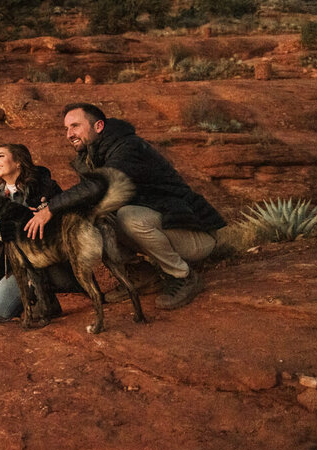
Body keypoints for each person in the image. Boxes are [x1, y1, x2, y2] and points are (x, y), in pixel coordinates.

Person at [24, 103, 226, 310]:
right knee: (94, 219)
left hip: (196, 235)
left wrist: (51, 209)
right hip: (165, 225)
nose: (69, 134)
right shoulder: (92, 156)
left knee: (128, 216)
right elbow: (88, 197)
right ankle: (142, 276)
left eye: (75, 126)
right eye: (66, 128)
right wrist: (47, 208)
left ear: (99, 126)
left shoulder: (128, 148)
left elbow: (99, 185)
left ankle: (183, 276)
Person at [0, 143, 76, 322]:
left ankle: (44, 296)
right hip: (19, 265)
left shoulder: (44, 186)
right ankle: (42, 300)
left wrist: (46, 212)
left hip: (50, 258)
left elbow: (66, 215)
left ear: (18, 162)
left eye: (0, 156)